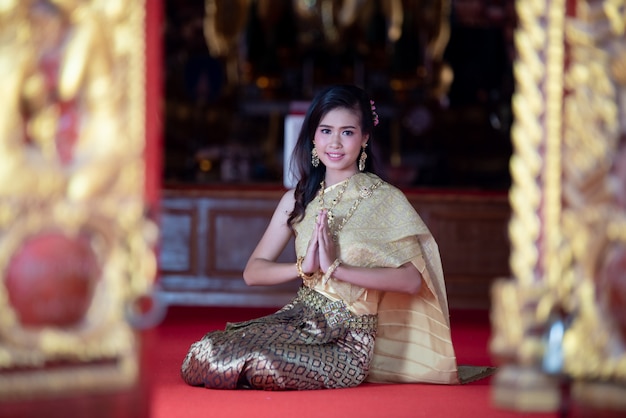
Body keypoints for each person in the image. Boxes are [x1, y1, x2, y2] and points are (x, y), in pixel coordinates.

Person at [181, 84, 492, 390]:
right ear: (313, 137)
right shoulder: (298, 199)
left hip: (348, 343)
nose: (335, 143)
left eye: (347, 132)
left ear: (364, 139)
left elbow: (411, 281)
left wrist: (336, 269)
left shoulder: (386, 199)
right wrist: (304, 268)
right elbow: (253, 272)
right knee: (205, 351)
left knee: (263, 364)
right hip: (299, 321)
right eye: (326, 131)